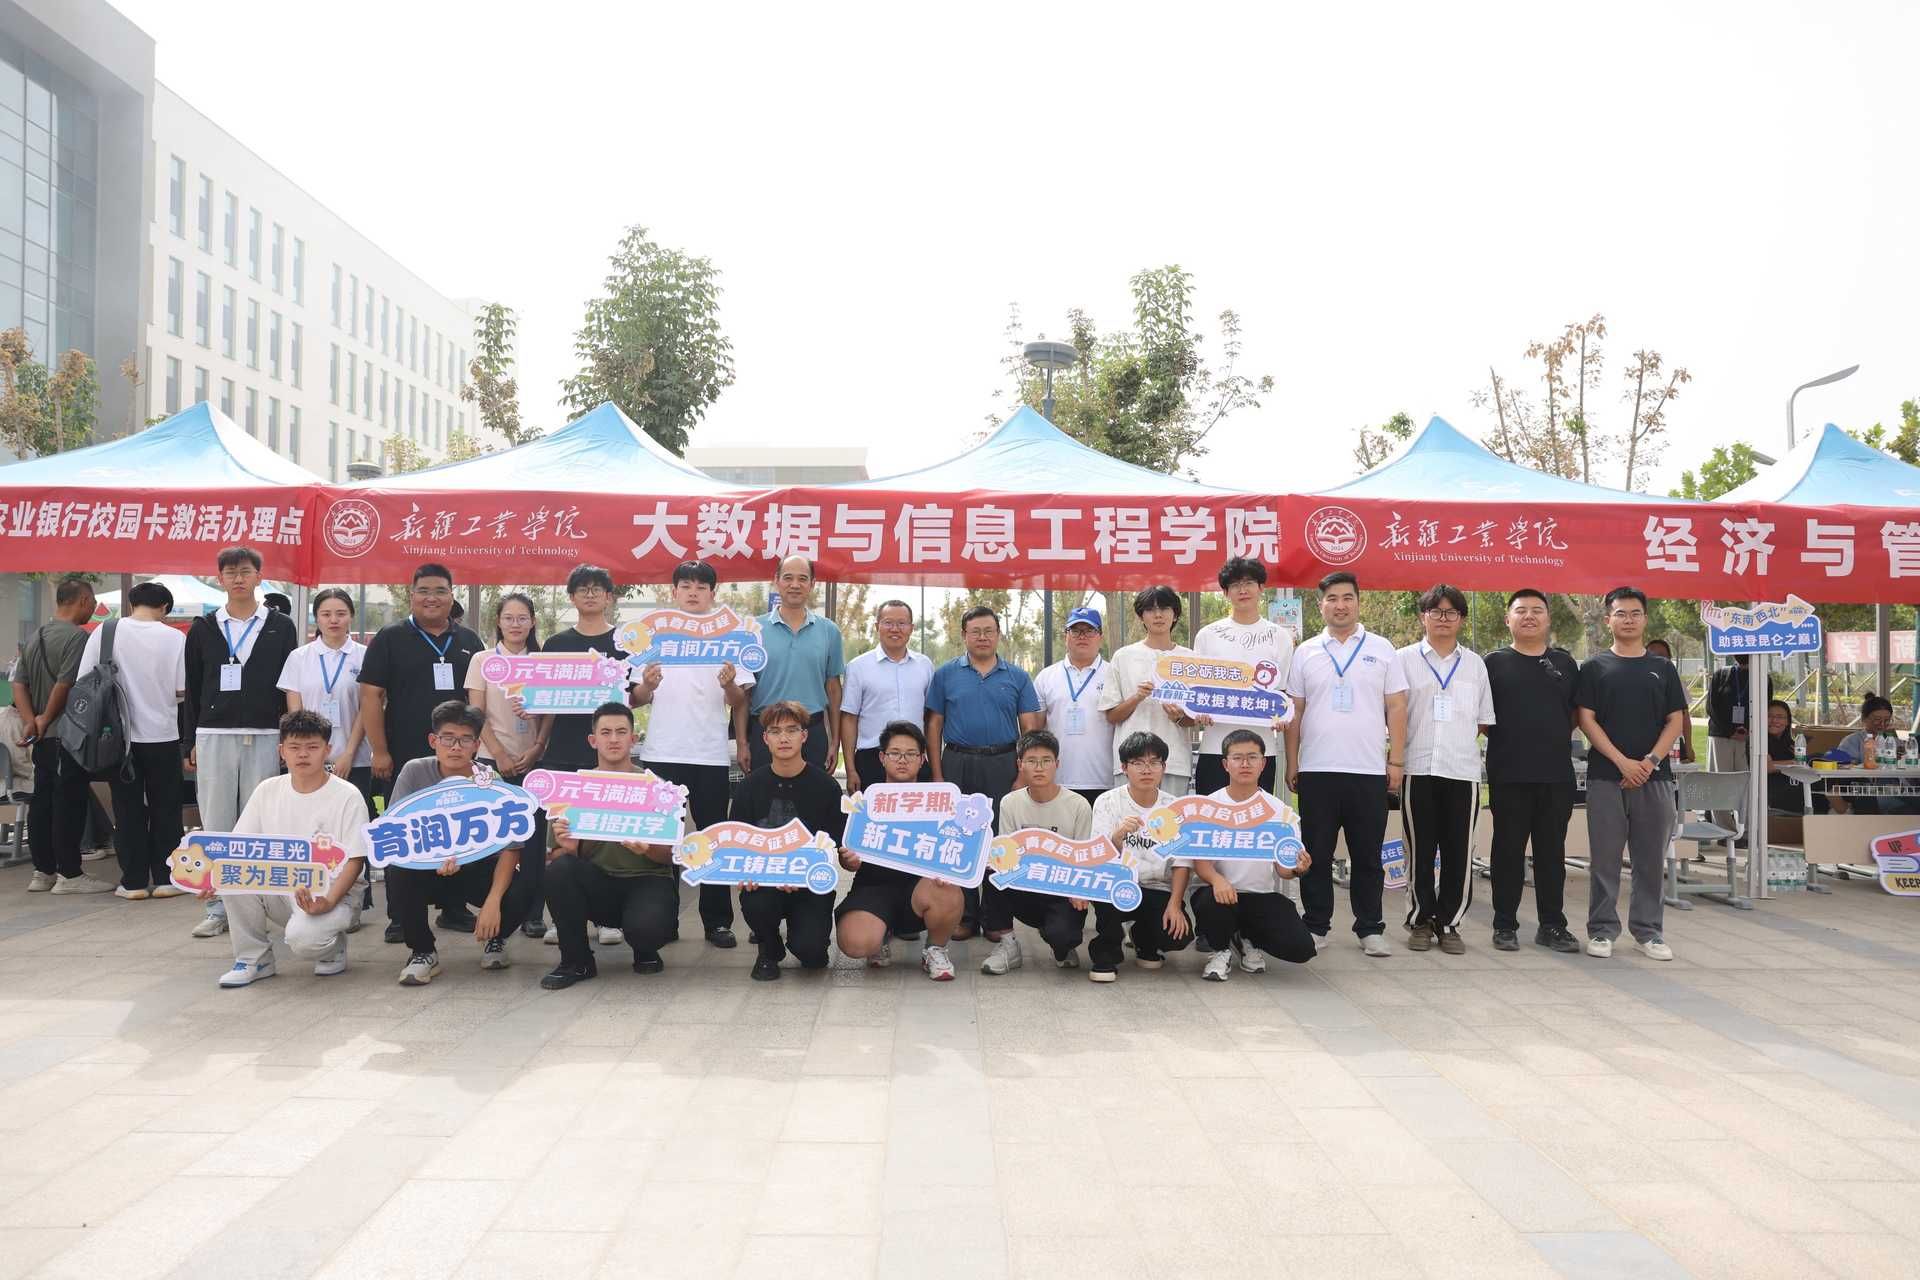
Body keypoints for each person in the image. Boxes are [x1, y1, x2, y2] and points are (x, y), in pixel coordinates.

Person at [358, 562, 487, 941]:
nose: (432, 598)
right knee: (403, 828)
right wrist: (379, 751)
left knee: (457, 827)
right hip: (403, 756)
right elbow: (370, 696)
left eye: (440, 591)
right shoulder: (390, 638)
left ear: (452, 596)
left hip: (456, 757)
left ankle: (453, 907)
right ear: (411, 595)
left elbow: (479, 699)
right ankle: (401, 915)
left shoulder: (468, 640)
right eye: (424, 591)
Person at [1284, 572, 1407, 956]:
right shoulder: (1306, 652)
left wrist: (1396, 760)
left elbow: (1396, 706)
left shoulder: (1382, 649)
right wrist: (1292, 761)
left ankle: (1370, 928)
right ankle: (1316, 924)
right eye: (1332, 598)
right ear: (1321, 604)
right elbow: (1295, 711)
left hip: (1367, 770)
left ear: (1358, 602)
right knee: (1315, 853)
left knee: (1367, 855)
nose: (1340, 605)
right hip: (1317, 769)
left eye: (1347, 598)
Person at [205, 710, 371, 987]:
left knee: (304, 940)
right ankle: (254, 959)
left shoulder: (347, 796)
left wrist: (329, 901)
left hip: (333, 892)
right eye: (294, 747)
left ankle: (332, 948)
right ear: (282, 751)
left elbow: (355, 860)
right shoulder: (267, 790)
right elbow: (238, 848)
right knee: (231, 874)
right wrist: (210, 879)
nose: (303, 754)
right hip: (280, 885)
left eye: (312, 747)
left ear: (327, 750)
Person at [637, 561, 753, 949]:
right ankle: (662, 918)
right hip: (662, 751)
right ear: (674, 591)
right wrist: (647, 685)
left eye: (701, 587)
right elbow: (636, 697)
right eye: (685, 585)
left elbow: (738, 700)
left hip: (709, 754)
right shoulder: (654, 635)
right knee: (663, 840)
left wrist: (730, 684)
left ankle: (717, 921)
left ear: (712, 593)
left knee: (711, 838)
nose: (692, 592)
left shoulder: (730, 637)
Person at [185, 547, 300, 934]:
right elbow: (193, 686)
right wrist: (190, 740)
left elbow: (288, 683)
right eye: (231, 572)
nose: (238, 578)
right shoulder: (204, 628)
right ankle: (217, 906)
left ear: (258, 577)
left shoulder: (280, 626)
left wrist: (287, 737)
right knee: (217, 821)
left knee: (262, 821)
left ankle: (262, 902)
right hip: (213, 733)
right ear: (219, 579)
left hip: (265, 732)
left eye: (246, 571)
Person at [383, 700, 535, 986]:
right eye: (448, 738)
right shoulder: (414, 771)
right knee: (397, 869)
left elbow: (511, 847)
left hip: (475, 870)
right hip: (428, 868)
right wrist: (432, 858)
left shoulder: (490, 780)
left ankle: (496, 938)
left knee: (526, 884)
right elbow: (396, 833)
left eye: (465, 739)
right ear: (433, 741)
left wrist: (493, 902)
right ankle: (423, 951)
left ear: (476, 745)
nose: (456, 747)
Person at [1576, 586, 1688, 962]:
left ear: (1645, 619)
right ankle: (1602, 929)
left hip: (1655, 779)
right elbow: (1586, 719)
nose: (1628, 620)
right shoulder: (1594, 668)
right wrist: (1622, 762)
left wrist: (1649, 762)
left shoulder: (1663, 668)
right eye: (1621, 613)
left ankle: (1648, 932)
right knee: (1605, 859)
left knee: (1650, 860)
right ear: (1609, 619)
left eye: (1635, 613)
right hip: (1606, 777)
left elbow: (1675, 720)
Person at [540, 702, 678, 989]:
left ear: (633, 738)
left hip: (647, 880)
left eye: (621, 732)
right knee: (559, 870)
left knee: (647, 931)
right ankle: (576, 961)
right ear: (593, 740)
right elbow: (554, 858)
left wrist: (648, 849)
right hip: (599, 884)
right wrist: (572, 847)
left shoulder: (658, 789)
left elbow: (672, 856)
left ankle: (645, 948)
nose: (613, 739)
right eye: (605, 733)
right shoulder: (574, 789)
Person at [926, 604, 1042, 936]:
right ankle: (964, 916)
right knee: (959, 838)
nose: (982, 637)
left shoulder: (1017, 676)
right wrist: (938, 774)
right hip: (957, 762)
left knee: (999, 839)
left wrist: (1022, 774)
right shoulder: (945, 674)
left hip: (1003, 763)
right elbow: (933, 725)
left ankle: (995, 918)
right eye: (975, 631)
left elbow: (1030, 729)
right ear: (964, 635)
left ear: (998, 634)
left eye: (988, 631)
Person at [1394, 584, 1495, 956]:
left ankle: (1450, 923)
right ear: (1423, 617)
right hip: (1417, 768)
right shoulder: (1402, 660)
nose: (1443, 618)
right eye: (1435, 611)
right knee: (1419, 851)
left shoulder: (1475, 665)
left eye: (1451, 612)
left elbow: (1483, 720)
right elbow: (1393, 713)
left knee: (1458, 853)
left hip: (1461, 772)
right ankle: (1420, 920)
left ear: (1461, 619)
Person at [1483, 589, 1581, 953]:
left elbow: (1575, 715)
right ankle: (1504, 924)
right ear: (1507, 619)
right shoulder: (1493, 663)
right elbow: (1482, 719)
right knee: (1507, 852)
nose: (1529, 616)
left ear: (1548, 618)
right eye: (1521, 610)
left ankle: (1552, 925)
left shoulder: (1565, 663)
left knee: (1551, 854)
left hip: (1556, 775)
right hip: (1509, 774)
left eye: (1537, 610)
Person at [77, 581, 186, 899]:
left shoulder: (105, 631)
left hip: (117, 738)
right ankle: (167, 879)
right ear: (164, 608)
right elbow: (181, 690)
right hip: (163, 735)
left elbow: (84, 679)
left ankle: (134, 882)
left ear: (131, 604)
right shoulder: (175, 638)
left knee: (127, 809)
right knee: (166, 807)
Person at [833, 720, 965, 981]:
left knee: (949, 889)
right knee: (855, 944)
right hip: (874, 887)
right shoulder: (864, 803)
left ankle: (935, 949)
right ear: (882, 758)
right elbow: (847, 859)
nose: (902, 760)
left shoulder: (941, 804)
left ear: (923, 759)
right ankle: (880, 935)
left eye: (911, 754)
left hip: (922, 888)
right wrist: (849, 860)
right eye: (894, 753)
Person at [1182, 728, 1318, 981]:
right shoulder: (1207, 806)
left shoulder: (1280, 812)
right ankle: (1220, 950)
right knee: (1211, 902)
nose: (1245, 764)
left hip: (1259, 895)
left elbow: (1283, 870)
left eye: (1252, 757)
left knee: (1301, 948)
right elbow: (1201, 864)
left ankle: (1246, 938)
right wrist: (1217, 880)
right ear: (1225, 764)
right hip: (1217, 893)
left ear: (1263, 763)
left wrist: (1298, 868)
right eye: (1237, 758)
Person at [731, 701, 847, 981]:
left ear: (804, 736)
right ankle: (769, 948)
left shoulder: (826, 787)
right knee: (757, 903)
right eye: (775, 731)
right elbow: (737, 843)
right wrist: (746, 872)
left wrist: (804, 872)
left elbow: (834, 846)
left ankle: (804, 937)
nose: (784, 738)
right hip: (765, 883)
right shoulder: (749, 787)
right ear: (765, 738)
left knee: (812, 956)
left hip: (810, 884)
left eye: (792, 730)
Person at [11, 575, 112, 895]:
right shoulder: (78, 638)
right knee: (69, 803)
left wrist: (30, 721)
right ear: (82, 601)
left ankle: (43, 871)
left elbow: (18, 684)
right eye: (92, 602)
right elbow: (65, 683)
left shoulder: (35, 636)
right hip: (68, 735)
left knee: (42, 801)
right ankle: (70, 874)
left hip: (42, 738)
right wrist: (45, 719)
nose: (93, 608)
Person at [466, 592, 553, 936]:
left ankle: (533, 912)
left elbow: (551, 712)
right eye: (508, 618)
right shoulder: (482, 660)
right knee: (496, 839)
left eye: (522, 618)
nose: (515, 624)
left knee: (533, 840)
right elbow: (476, 714)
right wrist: (499, 753)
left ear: (532, 622)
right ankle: (498, 908)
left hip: (535, 763)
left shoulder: (543, 661)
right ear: (498, 622)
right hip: (491, 762)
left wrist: (538, 747)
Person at [980, 730, 1093, 976]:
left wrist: (1078, 890)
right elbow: (1007, 855)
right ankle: (1008, 944)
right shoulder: (1010, 802)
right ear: (1020, 765)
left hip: (1062, 889)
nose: (1039, 768)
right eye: (1031, 761)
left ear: (1057, 764)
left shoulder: (1078, 805)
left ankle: (1060, 942)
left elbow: (1085, 859)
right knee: (992, 871)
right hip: (1025, 886)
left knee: (1063, 937)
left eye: (1046, 761)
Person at [1087, 731, 1193, 983]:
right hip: (1116, 884)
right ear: (1124, 767)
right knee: (1109, 897)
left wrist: (1175, 904)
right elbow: (1097, 858)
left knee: (1178, 936)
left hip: (1157, 886)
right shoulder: (1107, 802)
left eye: (1154, 762)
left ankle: (1145, 940)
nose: (1147, 769)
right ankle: (1106, 953)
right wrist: (1118, 836)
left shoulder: (1175, 808)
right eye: (1138, 763)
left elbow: (1181, 863)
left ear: (1164, 767)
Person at [1194, 557, 1295, 796]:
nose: (1242, 590)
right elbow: (1198, 690)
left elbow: (1283, 693)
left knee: (1256, 816)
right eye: (1235, 585)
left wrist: (1282, 714)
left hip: (1261, 749)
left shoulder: (1279, 636)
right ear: (1225, 592)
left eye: (1249, 583)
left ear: (1261, 588)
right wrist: (1199, 709)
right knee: (1211, 816)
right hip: (1215, 747)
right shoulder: (1208, 635)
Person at [743, 556, 844, 773]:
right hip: (766, 732)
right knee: (764, 793)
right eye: (788, 578)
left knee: (813, 792)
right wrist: (743, 742)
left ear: (812, 583)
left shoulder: (829, 631)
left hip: (812, 732)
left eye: (802, 579)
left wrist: (835, 741)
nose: (795, 585)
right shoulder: (753, 630)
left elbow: (834, 690)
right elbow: (744, 692)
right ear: (776, 580)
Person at [278, 588, 373, 812]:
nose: (333, 620)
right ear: (317, 618)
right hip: (309, 759)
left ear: (351, 616)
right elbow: (296, 715)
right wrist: (311, 753)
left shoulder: (365, 655)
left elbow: (367, 708)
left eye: (341, 614)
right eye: (326, 614)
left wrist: (348, 754)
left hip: (354, 759)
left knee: (350, 818)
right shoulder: (299, 657)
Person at [1097, 586, 1199, 794]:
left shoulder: (1190, 658)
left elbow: (1194, 718)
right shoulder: (1123, 656)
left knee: (1170, 814)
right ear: (1141, 616)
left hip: (1174, 761)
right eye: (1150, 609)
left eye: (1165, 608)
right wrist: (1137, 697)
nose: (1158, 615)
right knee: (1129, 814)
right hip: (1131, 760)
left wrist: (1179, 717)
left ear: (1175, 615)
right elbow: (1112, 716)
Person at [839, 599, 934, 791]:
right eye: (888, 623)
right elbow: (849, 719)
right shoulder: (858, 667)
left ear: (912, 628)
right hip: (871, 758)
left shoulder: (925, 666)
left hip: (914, 759)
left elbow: (930, 718)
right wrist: (850, 769)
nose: (895, 629)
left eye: (902, 623)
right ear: (877, 626)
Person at [1033, 606, 1114, 809]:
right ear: (1065, 636)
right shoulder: (1046, 677)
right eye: (1076, 631)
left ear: (1100, 636)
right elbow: (1035, 731)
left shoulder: (1114, 674)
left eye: (1089, 631)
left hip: (1105, 780)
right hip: (1056, 780)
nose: (1082, 636)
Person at [1645, 639, 1694, 763]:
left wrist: (1689, 747)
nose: (1657, 659)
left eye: (1662, 656)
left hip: (1673, 745)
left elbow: (1685, 718)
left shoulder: (1676, 682)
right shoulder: (1636, 681)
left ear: (1669, 659)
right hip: (1645, 744)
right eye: (1652, 655)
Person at [1765, 700, 1803, 815]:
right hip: (1772, 799)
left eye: (1780, 717)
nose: (1774, 720)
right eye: (1769, 716)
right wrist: (1795, 762)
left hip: (1796, 793)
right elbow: (1767, 767)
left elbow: (1803, 765)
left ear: (1787, 721)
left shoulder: (1792, 744)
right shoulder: (1758, 742)